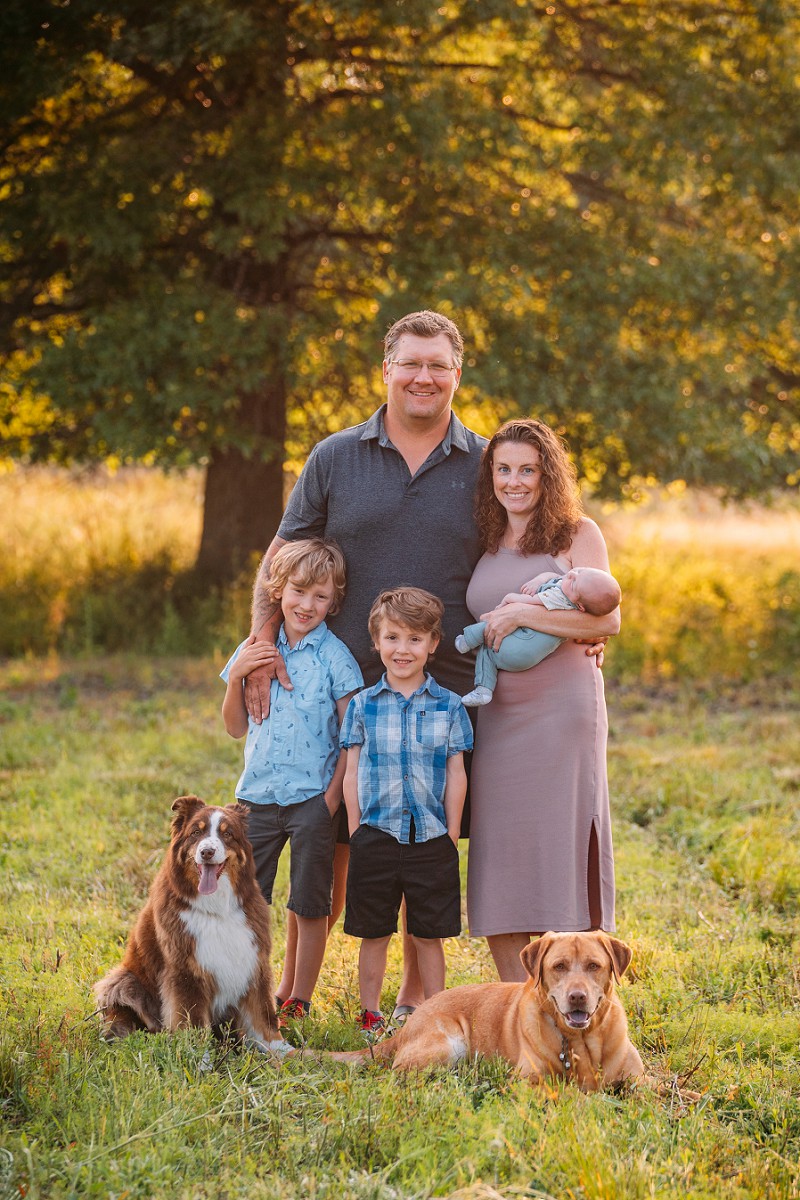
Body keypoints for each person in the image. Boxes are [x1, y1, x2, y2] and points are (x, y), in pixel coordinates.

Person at [244, 310, 488, 1023]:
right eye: (410, 363)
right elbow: (281, 557)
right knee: (335, 838)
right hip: (342, 689)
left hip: (441, 687)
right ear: (385, 370)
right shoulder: (336, 456)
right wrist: (262, 650)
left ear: (456, 375)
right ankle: (294, 991)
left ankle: (416, 999)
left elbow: (537, 538)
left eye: (438, 365)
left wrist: (580, 610)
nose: (423, 377)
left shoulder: (481, 462)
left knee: (421, 840)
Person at [465, 419, 621, 983]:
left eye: (527, 469)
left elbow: (611, 616)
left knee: (559, 837)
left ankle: (575, 987)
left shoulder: (576, 532)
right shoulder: (486, 538)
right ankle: (518, 996)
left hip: (563, 709)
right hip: (498, 710)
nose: (515, 482)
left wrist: (523, 614)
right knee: (500, 844)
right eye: (503, 469)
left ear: (546, 474)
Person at [220, 539, 363, 1020]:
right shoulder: (255, 649)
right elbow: (235, 726)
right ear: (278, 591)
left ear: (334, 602)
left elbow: (351, 734)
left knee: (310, 901)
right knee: (244, 897)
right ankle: (245, 988)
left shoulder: (336, 658)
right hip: (254, 801)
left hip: (310, 802)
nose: (307, 605)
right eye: (299, 592)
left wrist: (329, 798)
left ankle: (298, 997)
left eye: (320, 597)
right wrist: (238, 674)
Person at [340, 587, 473, 1036]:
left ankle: (435, 1012)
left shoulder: (450, 706)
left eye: (415, 639)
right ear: (376, 641)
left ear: (433, 644)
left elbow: (457, 773)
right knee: (374, 930)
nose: (403, 649)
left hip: (431, 834)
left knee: (429, 932)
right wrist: (357, 830)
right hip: (376, 832)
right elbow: (351, 771)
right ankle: (370, 1014)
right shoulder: (362, 705)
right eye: (393, 638)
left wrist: (451, 833)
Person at [457, 567, 621, 706]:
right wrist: (540, 579)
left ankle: (467, 640)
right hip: (525, 664)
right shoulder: (574, 590)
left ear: (579, 606)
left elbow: (531, 602)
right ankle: (484, 691)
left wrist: (509, 601)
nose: (571, 575)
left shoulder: (560, 599)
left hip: (527, 654)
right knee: (488, 653)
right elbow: (555, 577)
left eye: (574, 582)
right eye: (579, 570)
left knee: (491, 629)